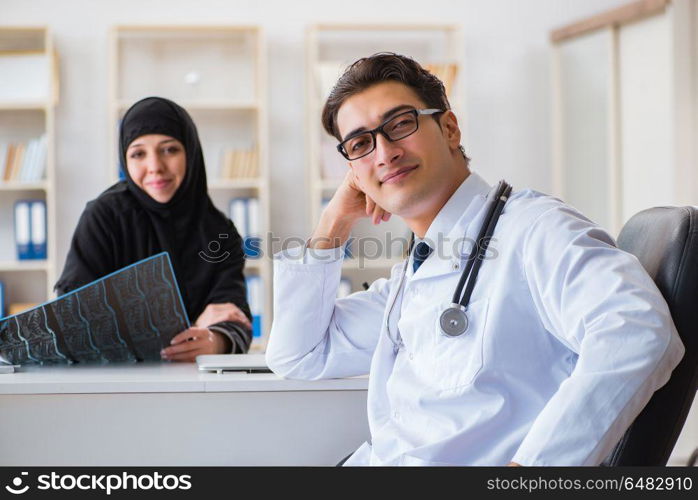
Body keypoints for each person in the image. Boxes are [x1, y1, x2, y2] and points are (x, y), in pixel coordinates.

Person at [265, 53, 685, 466]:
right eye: (361, 144)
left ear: (449, 128)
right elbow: (299, 354)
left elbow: (636, 327)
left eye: (400, 124)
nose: (384, 152)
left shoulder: (533, 228)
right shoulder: (419, 272)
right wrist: (334, 220)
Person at [56, 96, 252, 361]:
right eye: (138, 154)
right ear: (125, 160)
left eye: (170, 150)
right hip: (114, 380)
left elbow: (234, 316)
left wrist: (215, 342)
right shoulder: (104, 216)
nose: (155, 167)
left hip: (194, 381)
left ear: (190, 153)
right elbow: (72, 312)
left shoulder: (220, 231)